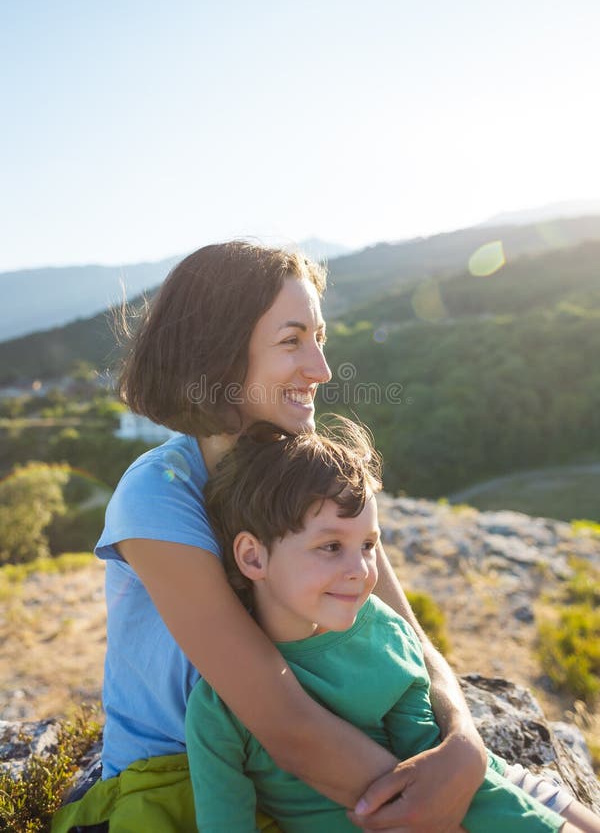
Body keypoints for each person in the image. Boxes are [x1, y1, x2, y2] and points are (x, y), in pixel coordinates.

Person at [54, 240, 506, 832]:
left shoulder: (304, 477)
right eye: (292, 341)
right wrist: (455, 806)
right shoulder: (158, 496)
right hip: (187, 781)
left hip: (322, 762)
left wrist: (467, 747)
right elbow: (282, 720)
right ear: (215, 357)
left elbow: (406, 637)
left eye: (320, 339)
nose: (320, 369)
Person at [186, 418, 598, 833]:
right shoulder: (219, 706)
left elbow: (446, 781)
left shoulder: (382, 636)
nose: (361, 570)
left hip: (474, 801)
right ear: (254, 558)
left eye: (368, 545)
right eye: (331, 546)